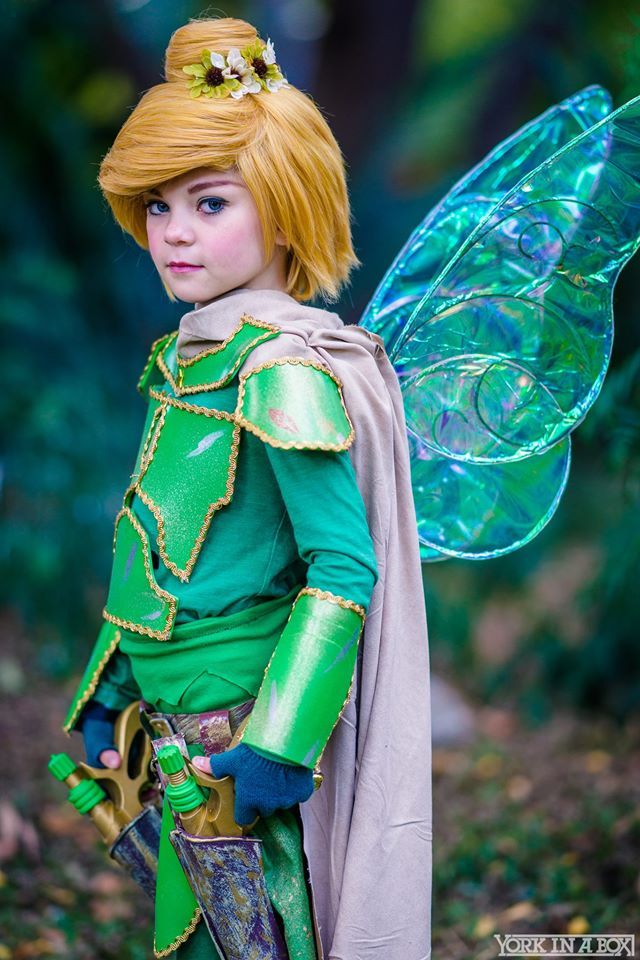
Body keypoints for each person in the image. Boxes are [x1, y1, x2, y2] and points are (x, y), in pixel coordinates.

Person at [62, 16, 432, 960]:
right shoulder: (187, 361)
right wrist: (109, 692)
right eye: (158, 207)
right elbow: (160, 551)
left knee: (268, 938)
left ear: (287, 204)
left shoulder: (281, 370)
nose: (175, 232)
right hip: (172, 740)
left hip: (242, 745)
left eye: (211, 202)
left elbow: (342, 569)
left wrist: (279, 743)